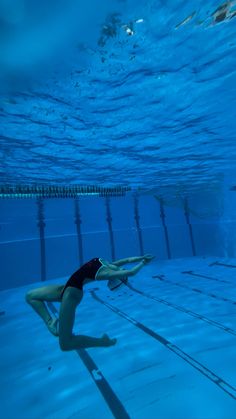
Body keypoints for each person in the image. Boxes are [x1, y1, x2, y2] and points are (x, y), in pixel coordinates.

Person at [25, 254, 155, 351]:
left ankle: (103, 342)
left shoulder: (106, 271)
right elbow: (127, 261)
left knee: (66, 344)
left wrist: (143, 262)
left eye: (122, 274)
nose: (122, 270)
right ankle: (50, 322)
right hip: (65, 289)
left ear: (117, 276)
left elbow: (131, 272)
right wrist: (142, 258)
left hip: (71, 295)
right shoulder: (109, 265)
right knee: (30, 296)